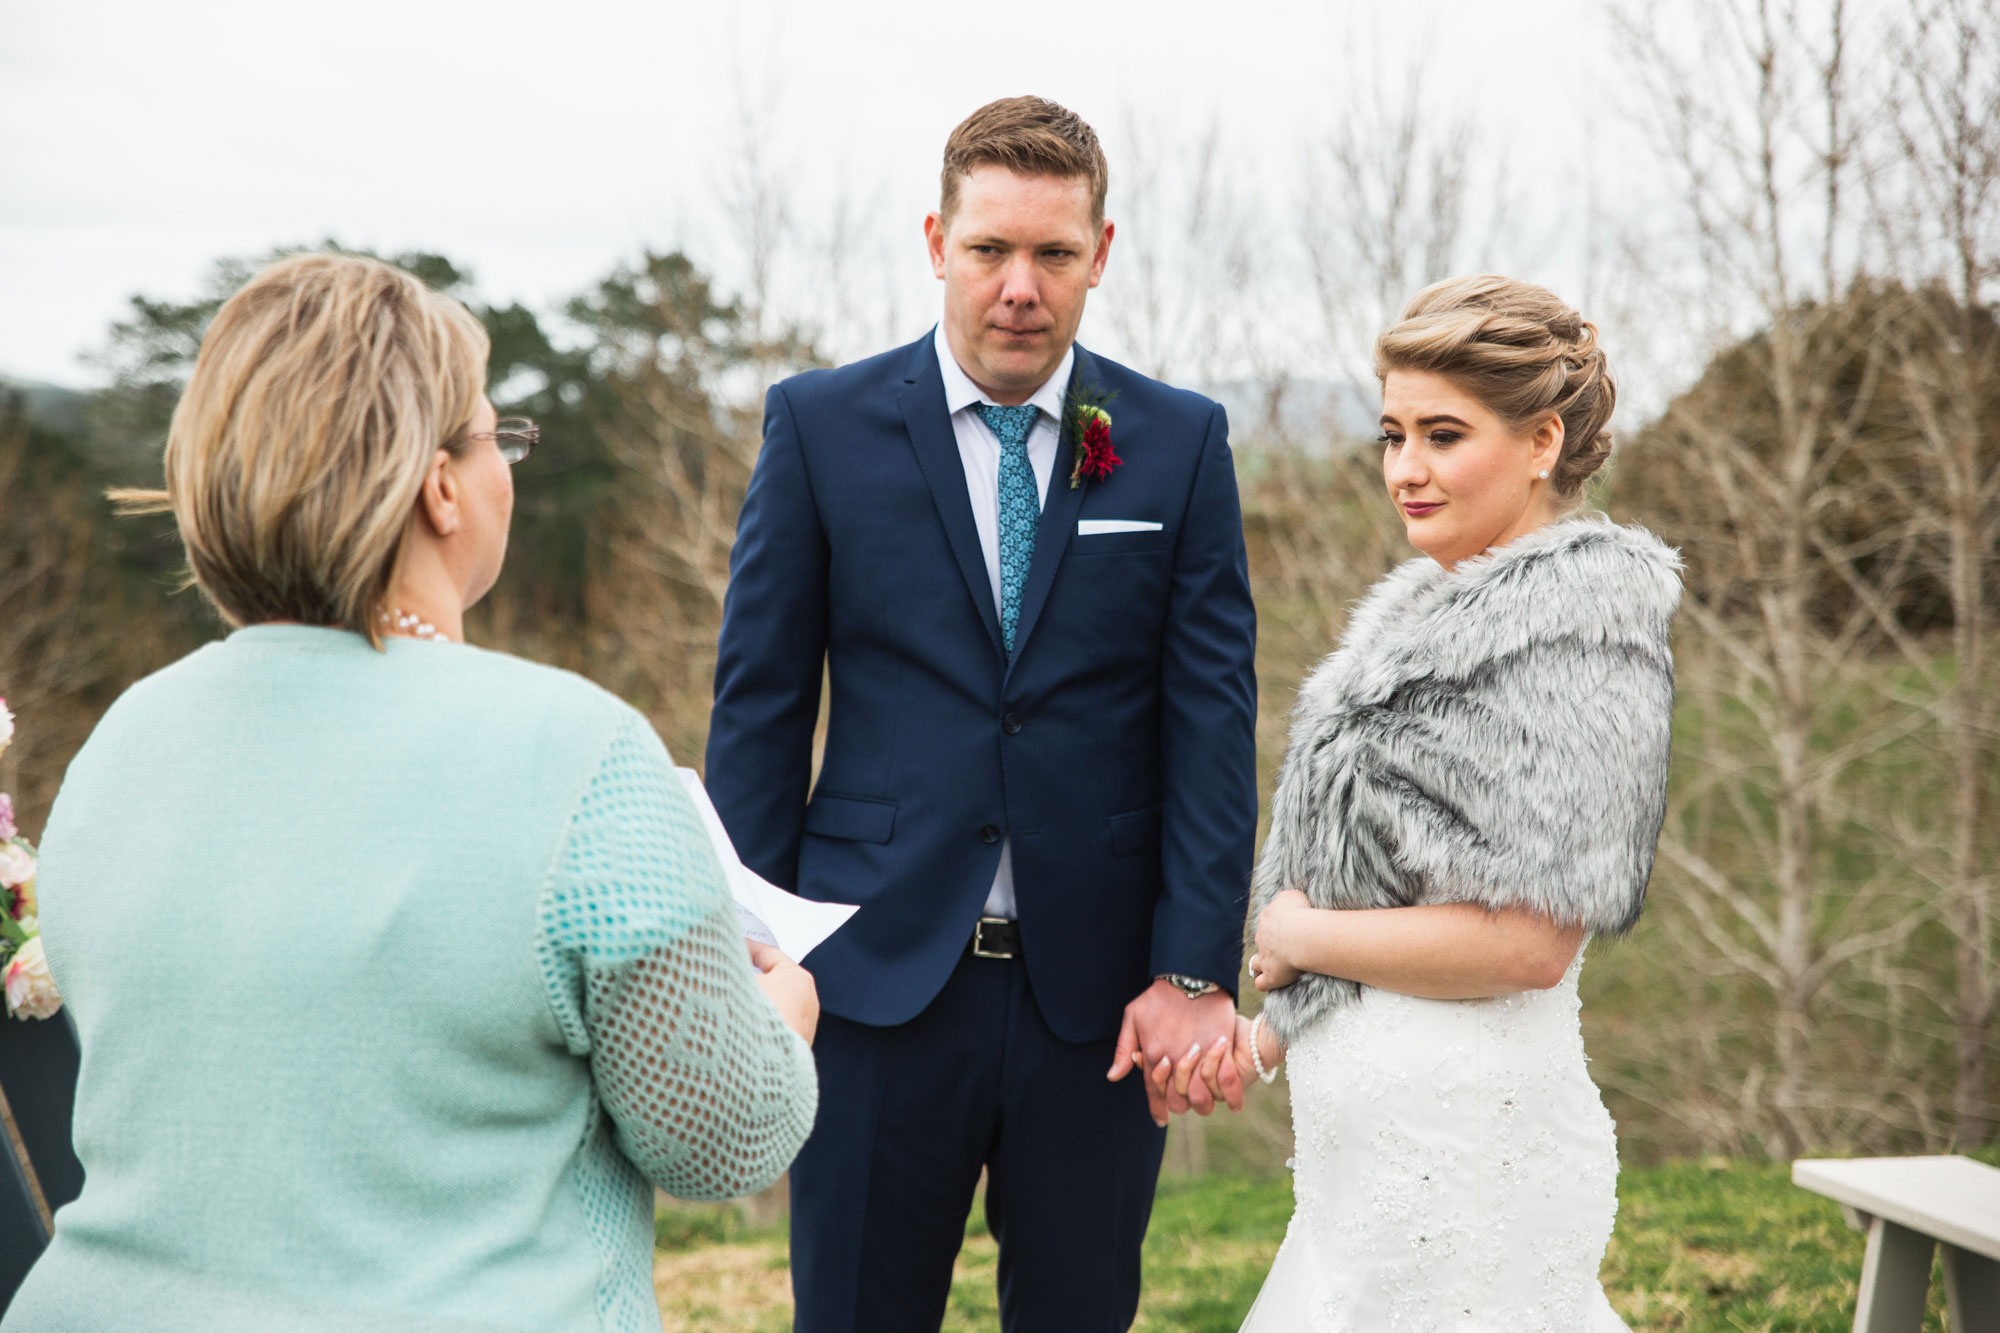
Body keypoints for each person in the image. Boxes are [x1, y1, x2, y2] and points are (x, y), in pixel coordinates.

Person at [3, 253, 819, 1333]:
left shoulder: (122, 741)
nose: (504, 470)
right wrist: (779, 1016)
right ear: (439, 483)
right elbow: (719, 1139)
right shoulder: (574, 755)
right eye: (495, 437)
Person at [704, 96, 1259, 1332]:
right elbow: (760, 707)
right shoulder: (818, 427)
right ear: (933, 241)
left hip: (1100, 1002)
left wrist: (1190, 968)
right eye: (988, 250)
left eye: (1053, 254)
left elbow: (1212, 724)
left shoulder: (1177, 444)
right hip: (865, 986)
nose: (1020, 286)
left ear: (1099, 255)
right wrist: (753, 953)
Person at [1232, 276, 1680, 1331]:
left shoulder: (1579, 640)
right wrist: (1275, 1034)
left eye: (1441, 434)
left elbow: (1526, 946)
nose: (1405, 470)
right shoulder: (1423, 619)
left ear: (1540, 440)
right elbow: (1401, 881)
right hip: (1371, 1172)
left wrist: (1301, 930)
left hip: (1469, 1163)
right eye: (1391, 434)